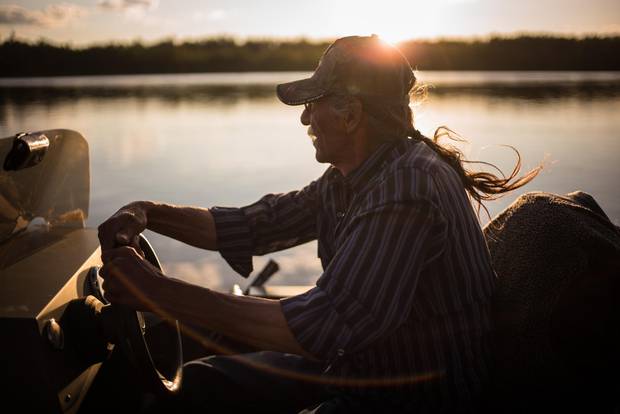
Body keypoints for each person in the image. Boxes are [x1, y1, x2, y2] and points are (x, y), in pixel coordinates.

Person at [98, 35, 540, 413]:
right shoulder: (352, 176)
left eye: (313, 104)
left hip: (409, 396)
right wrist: (149, 213)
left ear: (351, 115)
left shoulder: (407, 188)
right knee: (198, 384)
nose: (306, 119)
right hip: (361, 367)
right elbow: (254, 224)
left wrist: (158, 293)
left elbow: (328, 324)